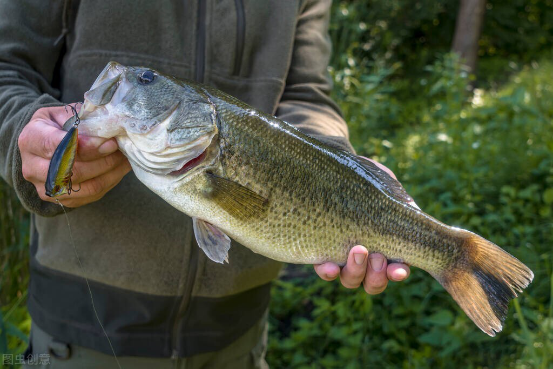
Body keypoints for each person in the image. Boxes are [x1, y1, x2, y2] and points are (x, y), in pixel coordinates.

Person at [0, 0, 410, 367]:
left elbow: (306, 93)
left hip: (239, 334)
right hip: (79, 332)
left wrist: (344, 175)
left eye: (143, 80)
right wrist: (24, 135)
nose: (125, 79)